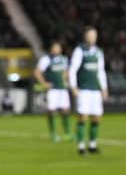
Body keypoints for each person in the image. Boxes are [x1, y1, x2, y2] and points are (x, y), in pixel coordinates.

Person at [69, 26, 108, 155]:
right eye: (91, 35)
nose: (93, 37)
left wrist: (104, 88)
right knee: (83, 117)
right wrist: (73, 86)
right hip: (84, 89)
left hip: (95, 90)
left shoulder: (99, 52)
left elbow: (101, 71)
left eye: (95, 35)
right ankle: (80, 146)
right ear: (86, 36)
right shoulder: (80, 50)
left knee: (97, 118)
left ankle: (92, 145)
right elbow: (73, 69)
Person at [34, 41, 72, 142]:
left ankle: (68, 133)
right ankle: (53, 134)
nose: (57, 49)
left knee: (65, 110)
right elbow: (37, 72)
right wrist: (44, 83)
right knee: (52, 111)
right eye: (55, 47)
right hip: (52, 90)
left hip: (62, 89)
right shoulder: (46, 59)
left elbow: (66, 72)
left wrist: (66, 79)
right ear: (51, 49)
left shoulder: (64, 59)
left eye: (58, 47)